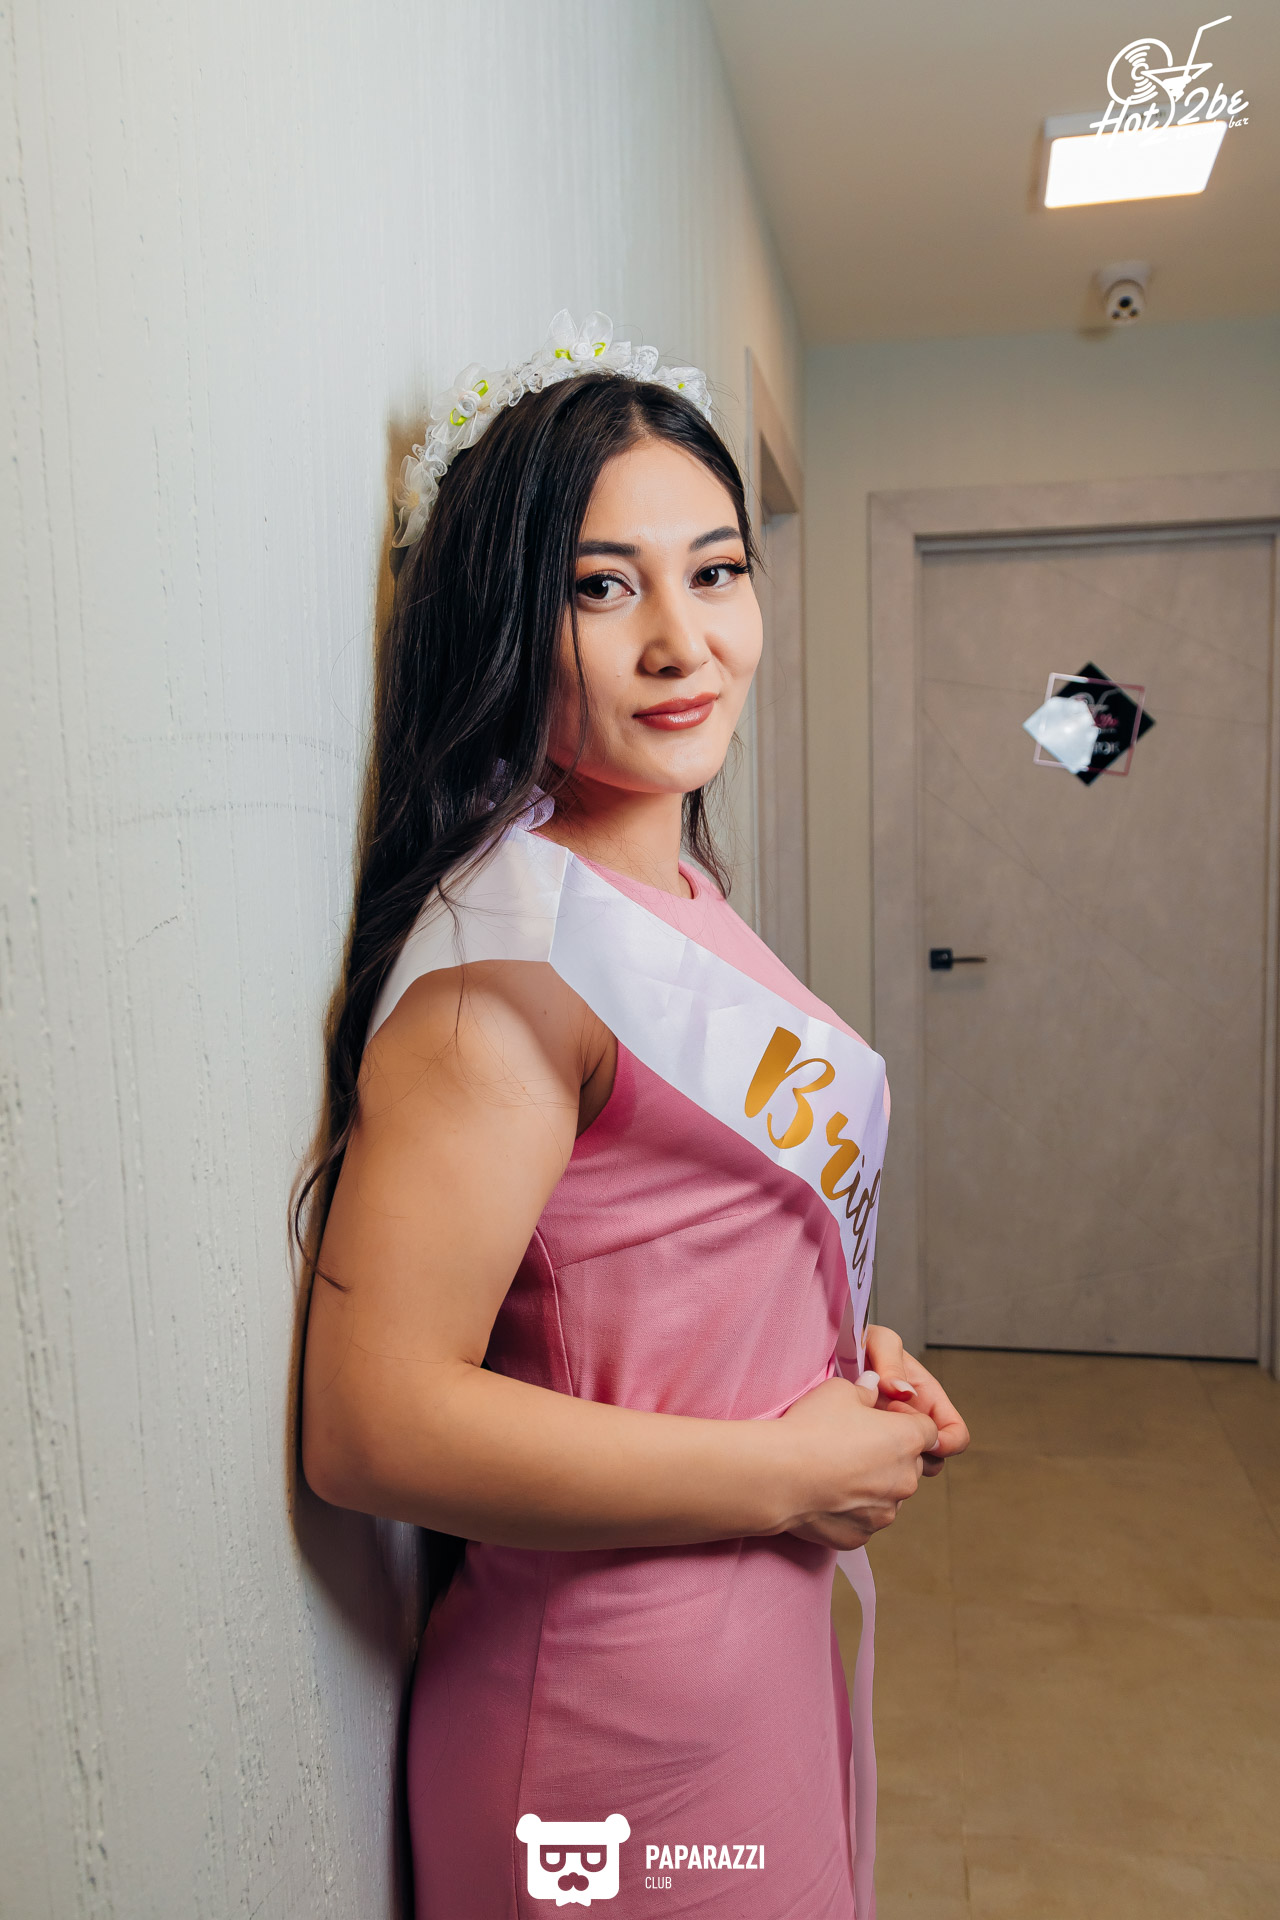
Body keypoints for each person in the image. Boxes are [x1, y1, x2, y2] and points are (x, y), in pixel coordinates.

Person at [297, 311, 969, 1918]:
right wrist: (787, 1475)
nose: (684, 642)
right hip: (611, 1722)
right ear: (500, 620)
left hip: (747, 1666)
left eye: (715, 571)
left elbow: (662, 1258)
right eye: (601, 588)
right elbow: (372, 1425)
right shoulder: (509, 964)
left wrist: (838, 1369)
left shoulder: (675, 888)